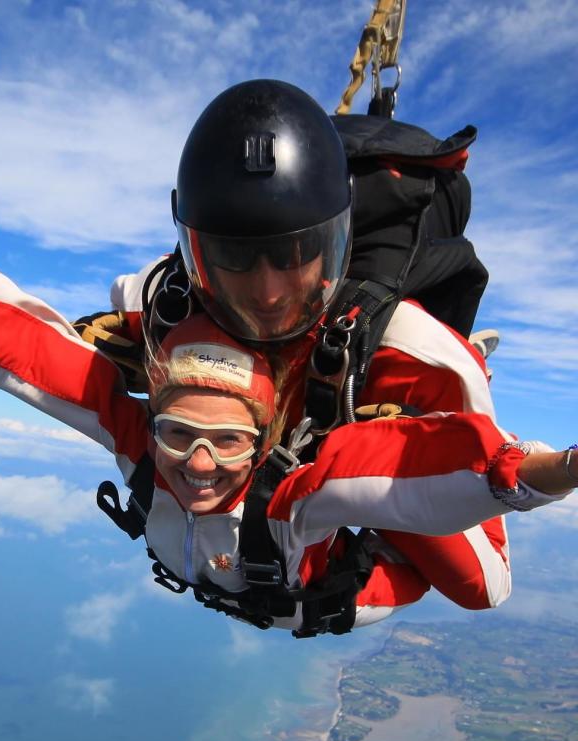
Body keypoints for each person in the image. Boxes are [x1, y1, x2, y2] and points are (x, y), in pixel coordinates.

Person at [0, 177, 576, 637]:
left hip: (338, 588)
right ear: (150, 422)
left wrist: (550, 468)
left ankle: (423, 392)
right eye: (177, 432)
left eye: (226, 442)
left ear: (265, 441)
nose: (196, 462)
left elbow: (406, 467)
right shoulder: (142, 450)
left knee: (482, 587)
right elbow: (29, 358)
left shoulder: (299, 494)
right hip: (252, 580)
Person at [103, 79, 521, 612]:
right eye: (235, 257)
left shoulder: (416, 354)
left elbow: (489, 580)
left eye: (293, 254)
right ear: (196, 253)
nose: (267, 294)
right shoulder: (166, 304)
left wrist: (364, 466)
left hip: (369, 444)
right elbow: (96, 322)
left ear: (334, 242)